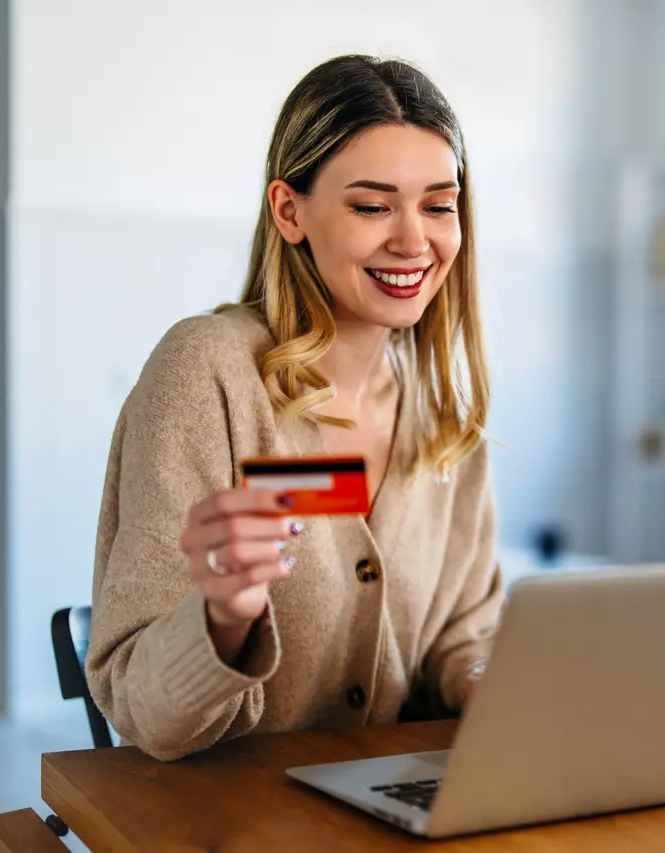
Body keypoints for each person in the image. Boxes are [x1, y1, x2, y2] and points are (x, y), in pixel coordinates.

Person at [86, 55, 503, 761]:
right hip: (225, 821)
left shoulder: (446, 423)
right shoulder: (206, 372)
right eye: (372, 206)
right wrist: (222, 618)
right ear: (289, 209)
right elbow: (142, 712)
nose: (413, 240)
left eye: (439, 204)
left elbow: (463, 636)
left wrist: (488, 677)